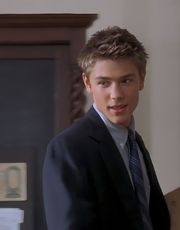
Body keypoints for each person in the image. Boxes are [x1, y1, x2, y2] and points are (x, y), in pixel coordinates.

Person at [43, 26, 170, 230]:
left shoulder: (135, 143)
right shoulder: (68, 148)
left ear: (142, 79)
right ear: (88, 83)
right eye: (104, 83)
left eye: (126, 80)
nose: (116, 94)